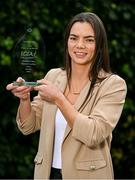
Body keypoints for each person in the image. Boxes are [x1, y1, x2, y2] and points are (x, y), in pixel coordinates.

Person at [6, 12, 127, 179]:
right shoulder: (53, 76)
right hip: (47, 174)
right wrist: (24, 98)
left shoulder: (113, 85)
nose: (80, 45)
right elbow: (28, 126)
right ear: (67, 42)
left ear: (99, 45)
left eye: (89, 40)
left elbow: (93, 134)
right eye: (74, 38)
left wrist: (59, 99)